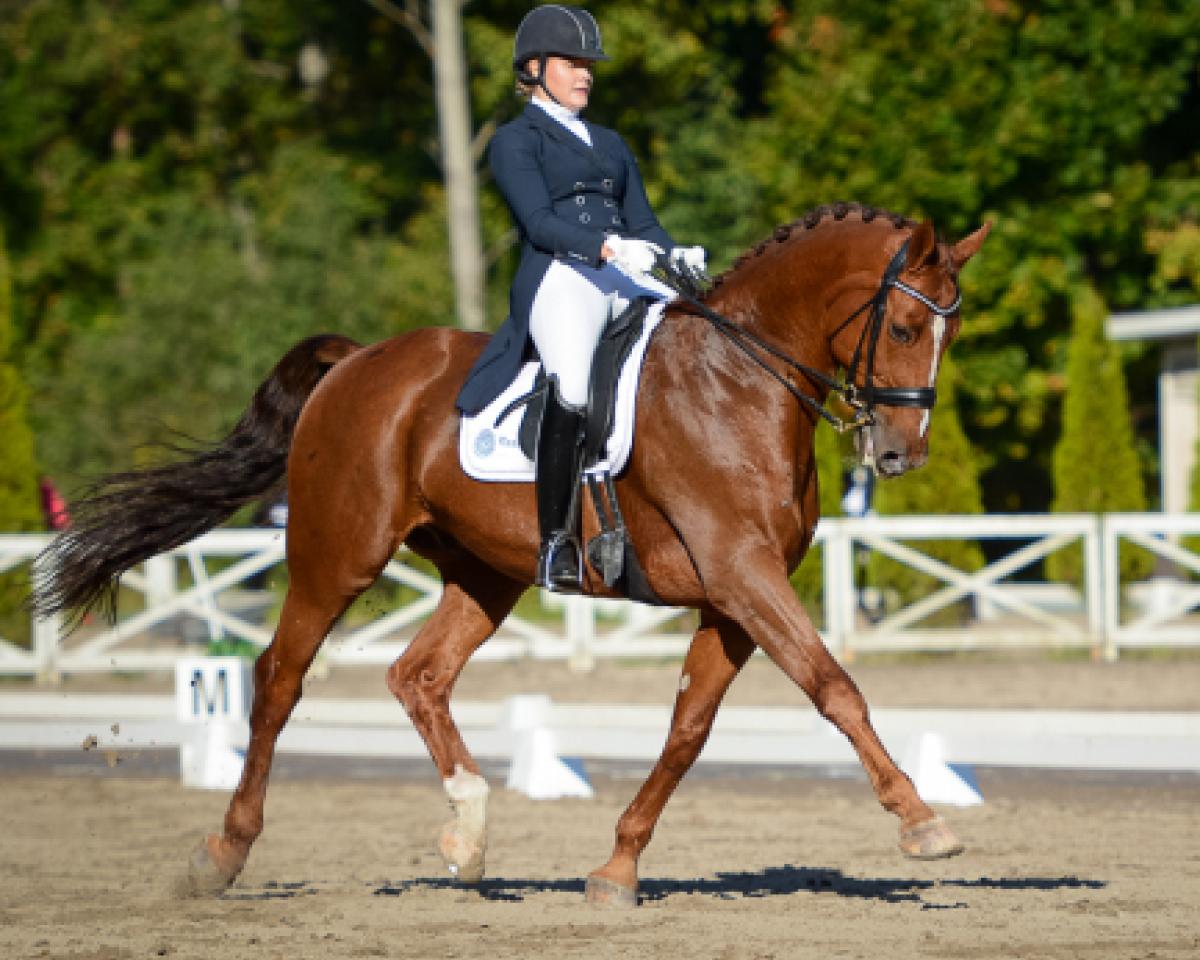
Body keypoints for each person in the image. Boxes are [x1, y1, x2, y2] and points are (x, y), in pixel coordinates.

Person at [456, 4, 706, 593]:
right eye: (573, 63)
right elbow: (540, 224)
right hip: (561, 278)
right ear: (536, 68)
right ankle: (556, 542)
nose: (586, 74)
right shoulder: (516, 141)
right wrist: (609, 250)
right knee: (570, 382)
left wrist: (675, 255)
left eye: (589, 65)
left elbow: (644, 222)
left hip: (623, 274)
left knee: (690, 347)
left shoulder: (611, 143)